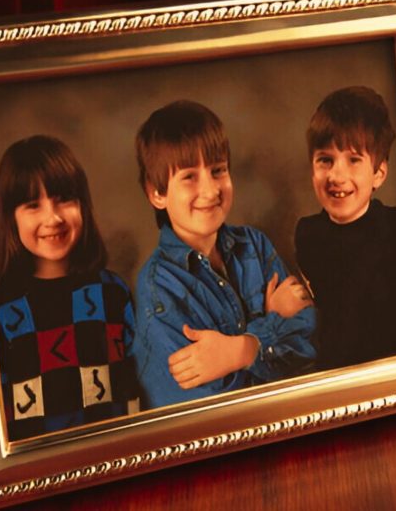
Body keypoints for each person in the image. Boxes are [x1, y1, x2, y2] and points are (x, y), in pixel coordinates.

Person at [132, 100, 316, 409]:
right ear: (157, 193)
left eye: (218, 170)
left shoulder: (255, 245)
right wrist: (272, 327)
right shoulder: (159, 289)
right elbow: (210, 404)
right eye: (189, 176)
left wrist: (240, 351)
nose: (211, 189)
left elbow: (308, 343)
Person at [0, 135, 139, 441]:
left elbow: (139, 380)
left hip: (117, 453)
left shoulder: (112, 293)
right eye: (32, 205)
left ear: (82, 205)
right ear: (9, 219)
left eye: (64, 200)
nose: (52, 218)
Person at [295, 86, 396, 371]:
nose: (337, 176)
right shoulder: (307, 233)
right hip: (332, 371)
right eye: (325, 160)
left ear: (379, 174)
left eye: (353, 160)